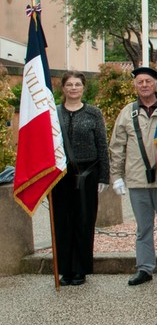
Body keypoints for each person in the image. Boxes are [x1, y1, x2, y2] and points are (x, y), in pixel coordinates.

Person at [110, 67, 157, 286]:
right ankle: (145, 268)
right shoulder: (127, 112)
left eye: (148, 81)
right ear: (135, 86)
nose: (144, 85)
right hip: (138, 178)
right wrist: (116, 176)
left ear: (156, 84)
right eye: (139, 82)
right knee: (143, 228)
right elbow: (117, 147)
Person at [51, 71, 109, 286]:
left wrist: (104, 176)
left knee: (84, 221)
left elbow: (102, 145)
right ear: (63, 88)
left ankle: (80, 269)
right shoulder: (54, 114)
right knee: (63, 221)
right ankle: (65, 269)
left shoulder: (94, 113)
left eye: (77, 84)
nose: (73, 88)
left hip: (87, 173)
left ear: (83, 88)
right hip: (61, 174)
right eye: (69, 84)